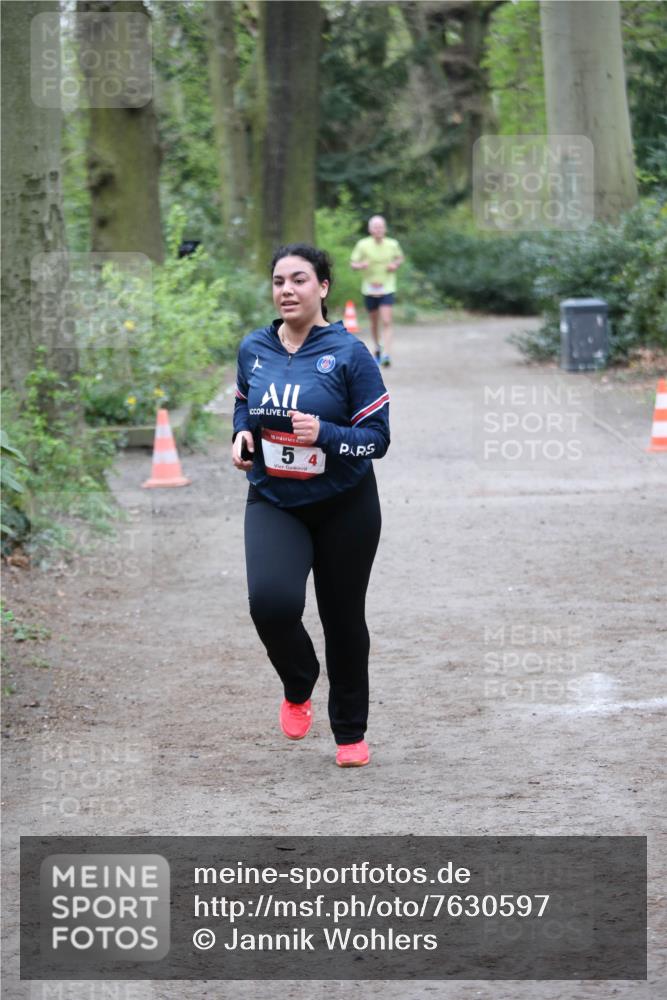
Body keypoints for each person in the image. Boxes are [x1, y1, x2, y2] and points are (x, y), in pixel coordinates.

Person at [231, 244, 390, 768]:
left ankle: (350, 732)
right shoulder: (254, 347)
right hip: (274, 498)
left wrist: (325, 433)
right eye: (279, 281)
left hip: (345, 505)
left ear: (322, 288)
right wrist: (240, 437)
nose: (287, 290)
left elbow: (377, 439)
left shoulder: (350, 355)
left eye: (299, 280)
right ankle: (299, 682)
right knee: (271, 604)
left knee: (343, 619)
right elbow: (242, 403)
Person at [350, 215, 404, 367]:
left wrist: (395, 265)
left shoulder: (392, 244)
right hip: (369, 288)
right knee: (374, 322)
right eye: (375, 227)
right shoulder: (363, 244)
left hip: (387, 287)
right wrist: (361, 266)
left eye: (381, 227)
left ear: (385, 229)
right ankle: (377, 348)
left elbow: (400, 258)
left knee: (387, 320)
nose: (378, 230)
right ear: (370, 229)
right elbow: (353, 263)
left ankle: (386, 354)